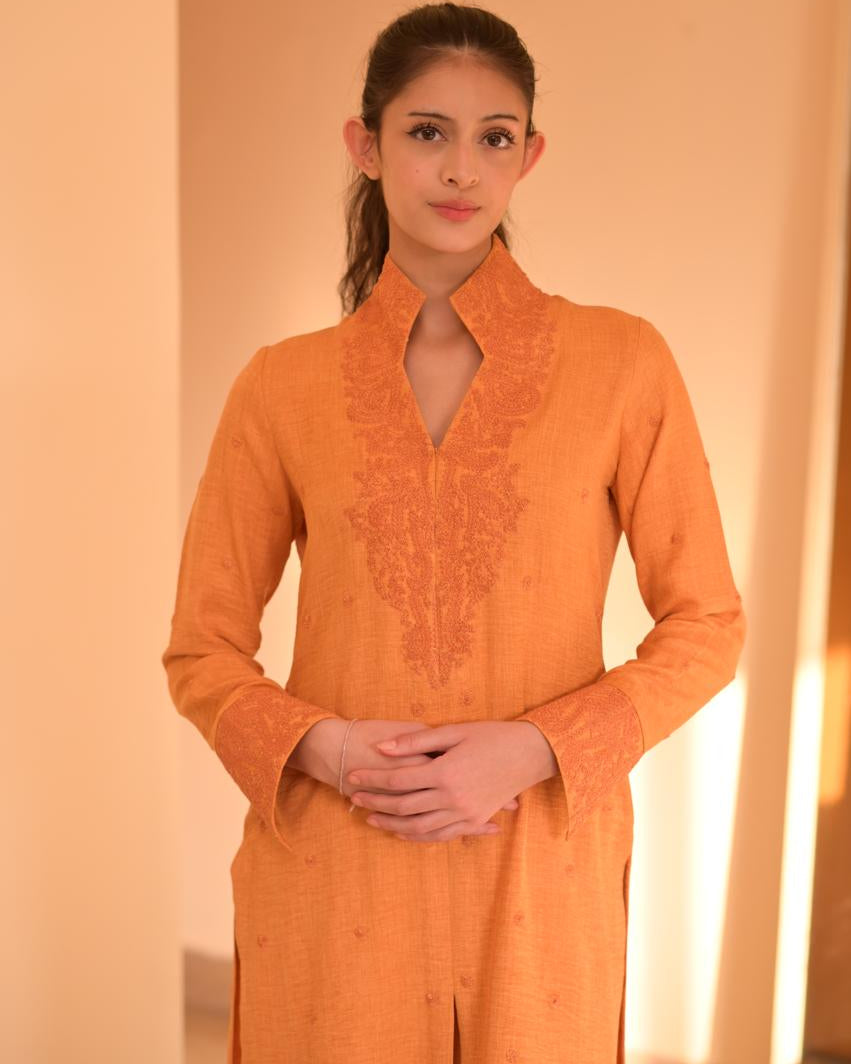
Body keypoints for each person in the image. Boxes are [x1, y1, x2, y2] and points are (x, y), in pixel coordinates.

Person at [161, 4, 747, 1062]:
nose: (459, 169)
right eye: (426, 131)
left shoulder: (620, 363)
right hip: (336, 871)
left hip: (536, 867)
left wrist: (532, 748)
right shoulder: (281, 386)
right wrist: (331, 750)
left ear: (528, 155)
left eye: (491, 137)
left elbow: (706, 622)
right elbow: (200, 649)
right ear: (366, 143)